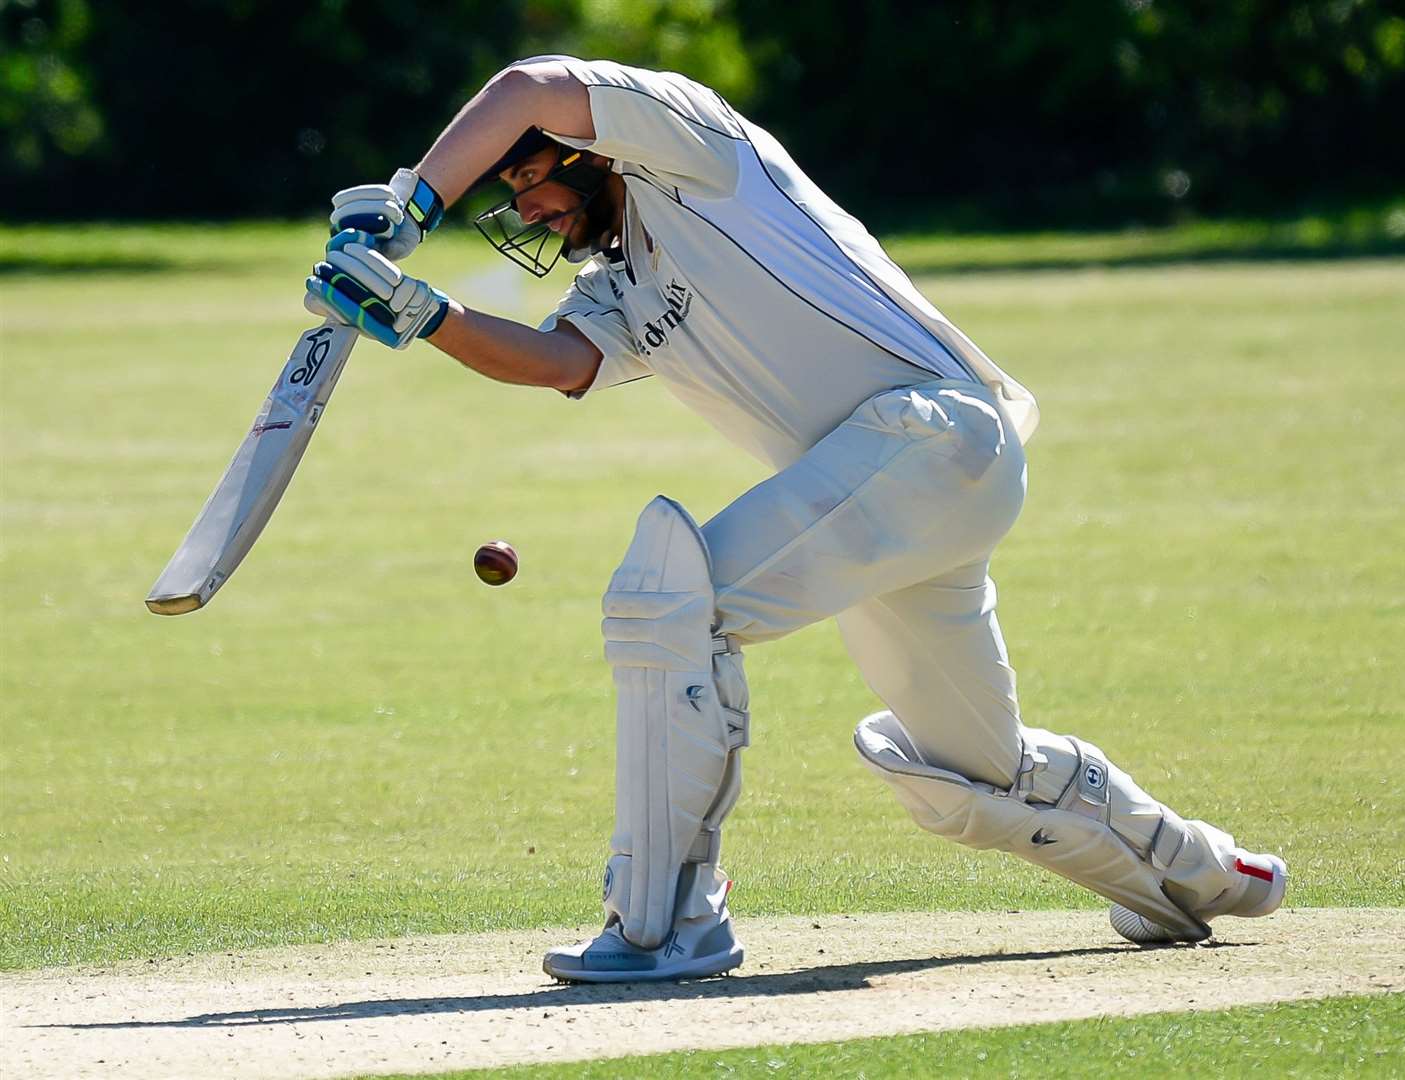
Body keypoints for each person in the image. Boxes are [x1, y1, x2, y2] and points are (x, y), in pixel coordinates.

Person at [304, 56, 1288, 984]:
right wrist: (419, 314)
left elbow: (531, 84)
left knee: (668, 604)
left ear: (593, 151)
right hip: (887, 490)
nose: (528, 211)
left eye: (531, 182)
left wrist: (414, 201)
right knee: (967, 777)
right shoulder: (620, 284)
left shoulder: (697, 153)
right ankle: (1197, 873)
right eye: (512, 200)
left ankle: (667, 921)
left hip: (933, 440)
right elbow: (558, 363)